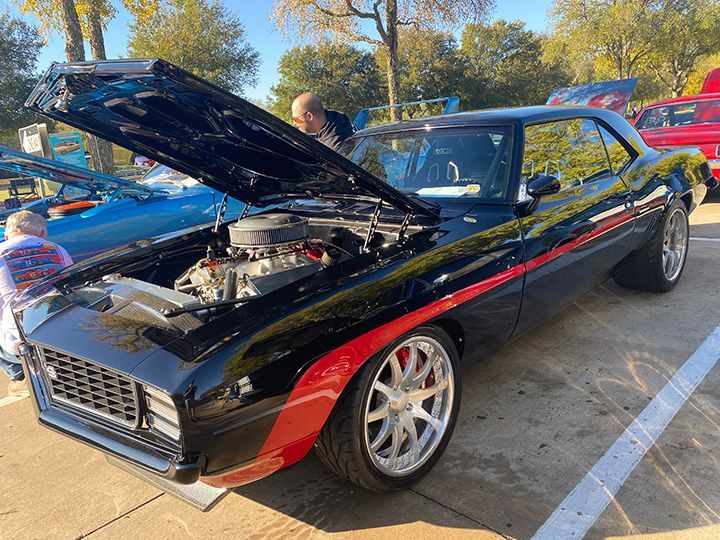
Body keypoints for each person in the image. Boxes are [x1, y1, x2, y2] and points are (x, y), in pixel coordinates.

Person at [0, 211, 73, 396]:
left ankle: (21, 376)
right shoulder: (59, 250)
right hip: (63, 332)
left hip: (21, 342)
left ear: (7, 235)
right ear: (42, 233)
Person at [291, 92, 355, 151]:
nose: (294, 122)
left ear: (309, 116)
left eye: (296, 119)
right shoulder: (337, 118)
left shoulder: (333, 149)